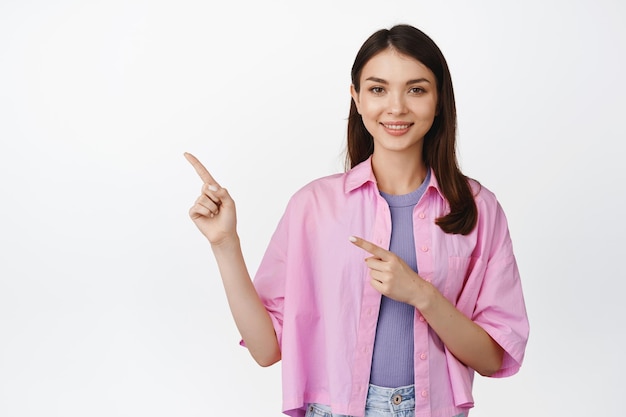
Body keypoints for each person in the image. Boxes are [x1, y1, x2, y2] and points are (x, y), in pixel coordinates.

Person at [185, 24, 529, 417]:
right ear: (357, 98)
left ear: (439, 101)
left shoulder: (479, 208)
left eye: (416, 89)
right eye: (378, 89)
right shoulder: (314, 206)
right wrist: (225, 245)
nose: (396, 107)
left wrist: (422, 294)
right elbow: (266, 350)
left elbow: (492, 359)